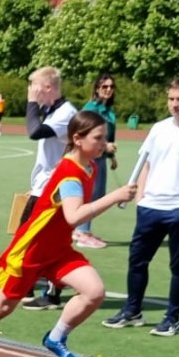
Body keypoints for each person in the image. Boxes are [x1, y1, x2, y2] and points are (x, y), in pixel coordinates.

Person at [0, 111, 137, 357]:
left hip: (58, 249)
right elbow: (74, 215)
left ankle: (56, 337)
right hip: (33, 250)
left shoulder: (90, 165)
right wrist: (114, 196)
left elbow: (71, 210)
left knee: (94, 292)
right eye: (98, 138)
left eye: (104, 138)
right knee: (3, 306)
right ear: (77, 138)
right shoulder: (71, 175)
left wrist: (107, 150)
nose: (103, 143)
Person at [102, 77, 179, 336]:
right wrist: (141, 199)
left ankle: (173, 318)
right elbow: (147, 163)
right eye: (171, 99)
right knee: (137, 261)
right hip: (150, 207)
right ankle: (132, 310)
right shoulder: (158, 128)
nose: (175, 105)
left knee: (178, 266)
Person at [19, 67, 78, 310]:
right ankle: (29, 284)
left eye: (35, 87)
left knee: (48, 239)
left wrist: (31, 103)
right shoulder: (53, 110)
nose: (31, 92)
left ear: (47, 88)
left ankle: (52, 292)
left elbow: (34, 131)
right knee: (27, 233)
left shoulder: (66, 113)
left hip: (55, 187)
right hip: (42, 185)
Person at [75, 74, 118, 248]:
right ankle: (81, 232)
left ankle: (84, 229)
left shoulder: (108, 109)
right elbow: (85, 132)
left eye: (111, 87)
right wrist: (105, 146)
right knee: (91, 194)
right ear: (97, 89)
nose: (108, 90)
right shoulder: (91, 109)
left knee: (98, 194)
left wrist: (112, 156)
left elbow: (109, 135)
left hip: (101, 156)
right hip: (90, 157)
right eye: (104, 87)